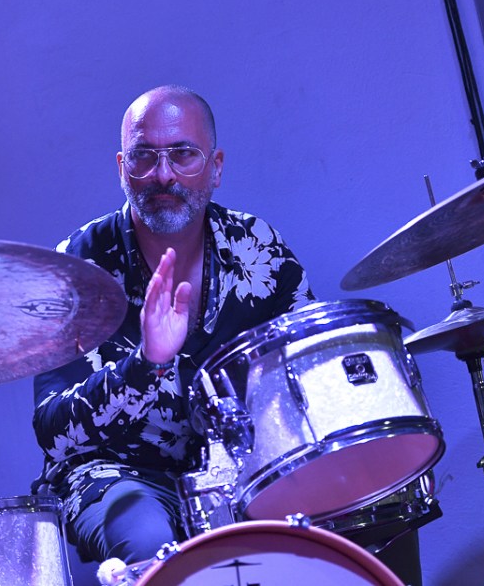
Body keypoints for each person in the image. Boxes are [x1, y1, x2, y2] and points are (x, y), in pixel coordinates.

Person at [32, 85, 315, 567]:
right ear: (122, 169)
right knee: (145, 536)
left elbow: (310, 371)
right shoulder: (77, 267)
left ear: (216, 167)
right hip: (116, 471)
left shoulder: (260, 249)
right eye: (144, 156)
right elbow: (53, 431)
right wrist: (147, 364)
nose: (163, 175)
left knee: (368, 502)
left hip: (245, 465)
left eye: (183, 154)